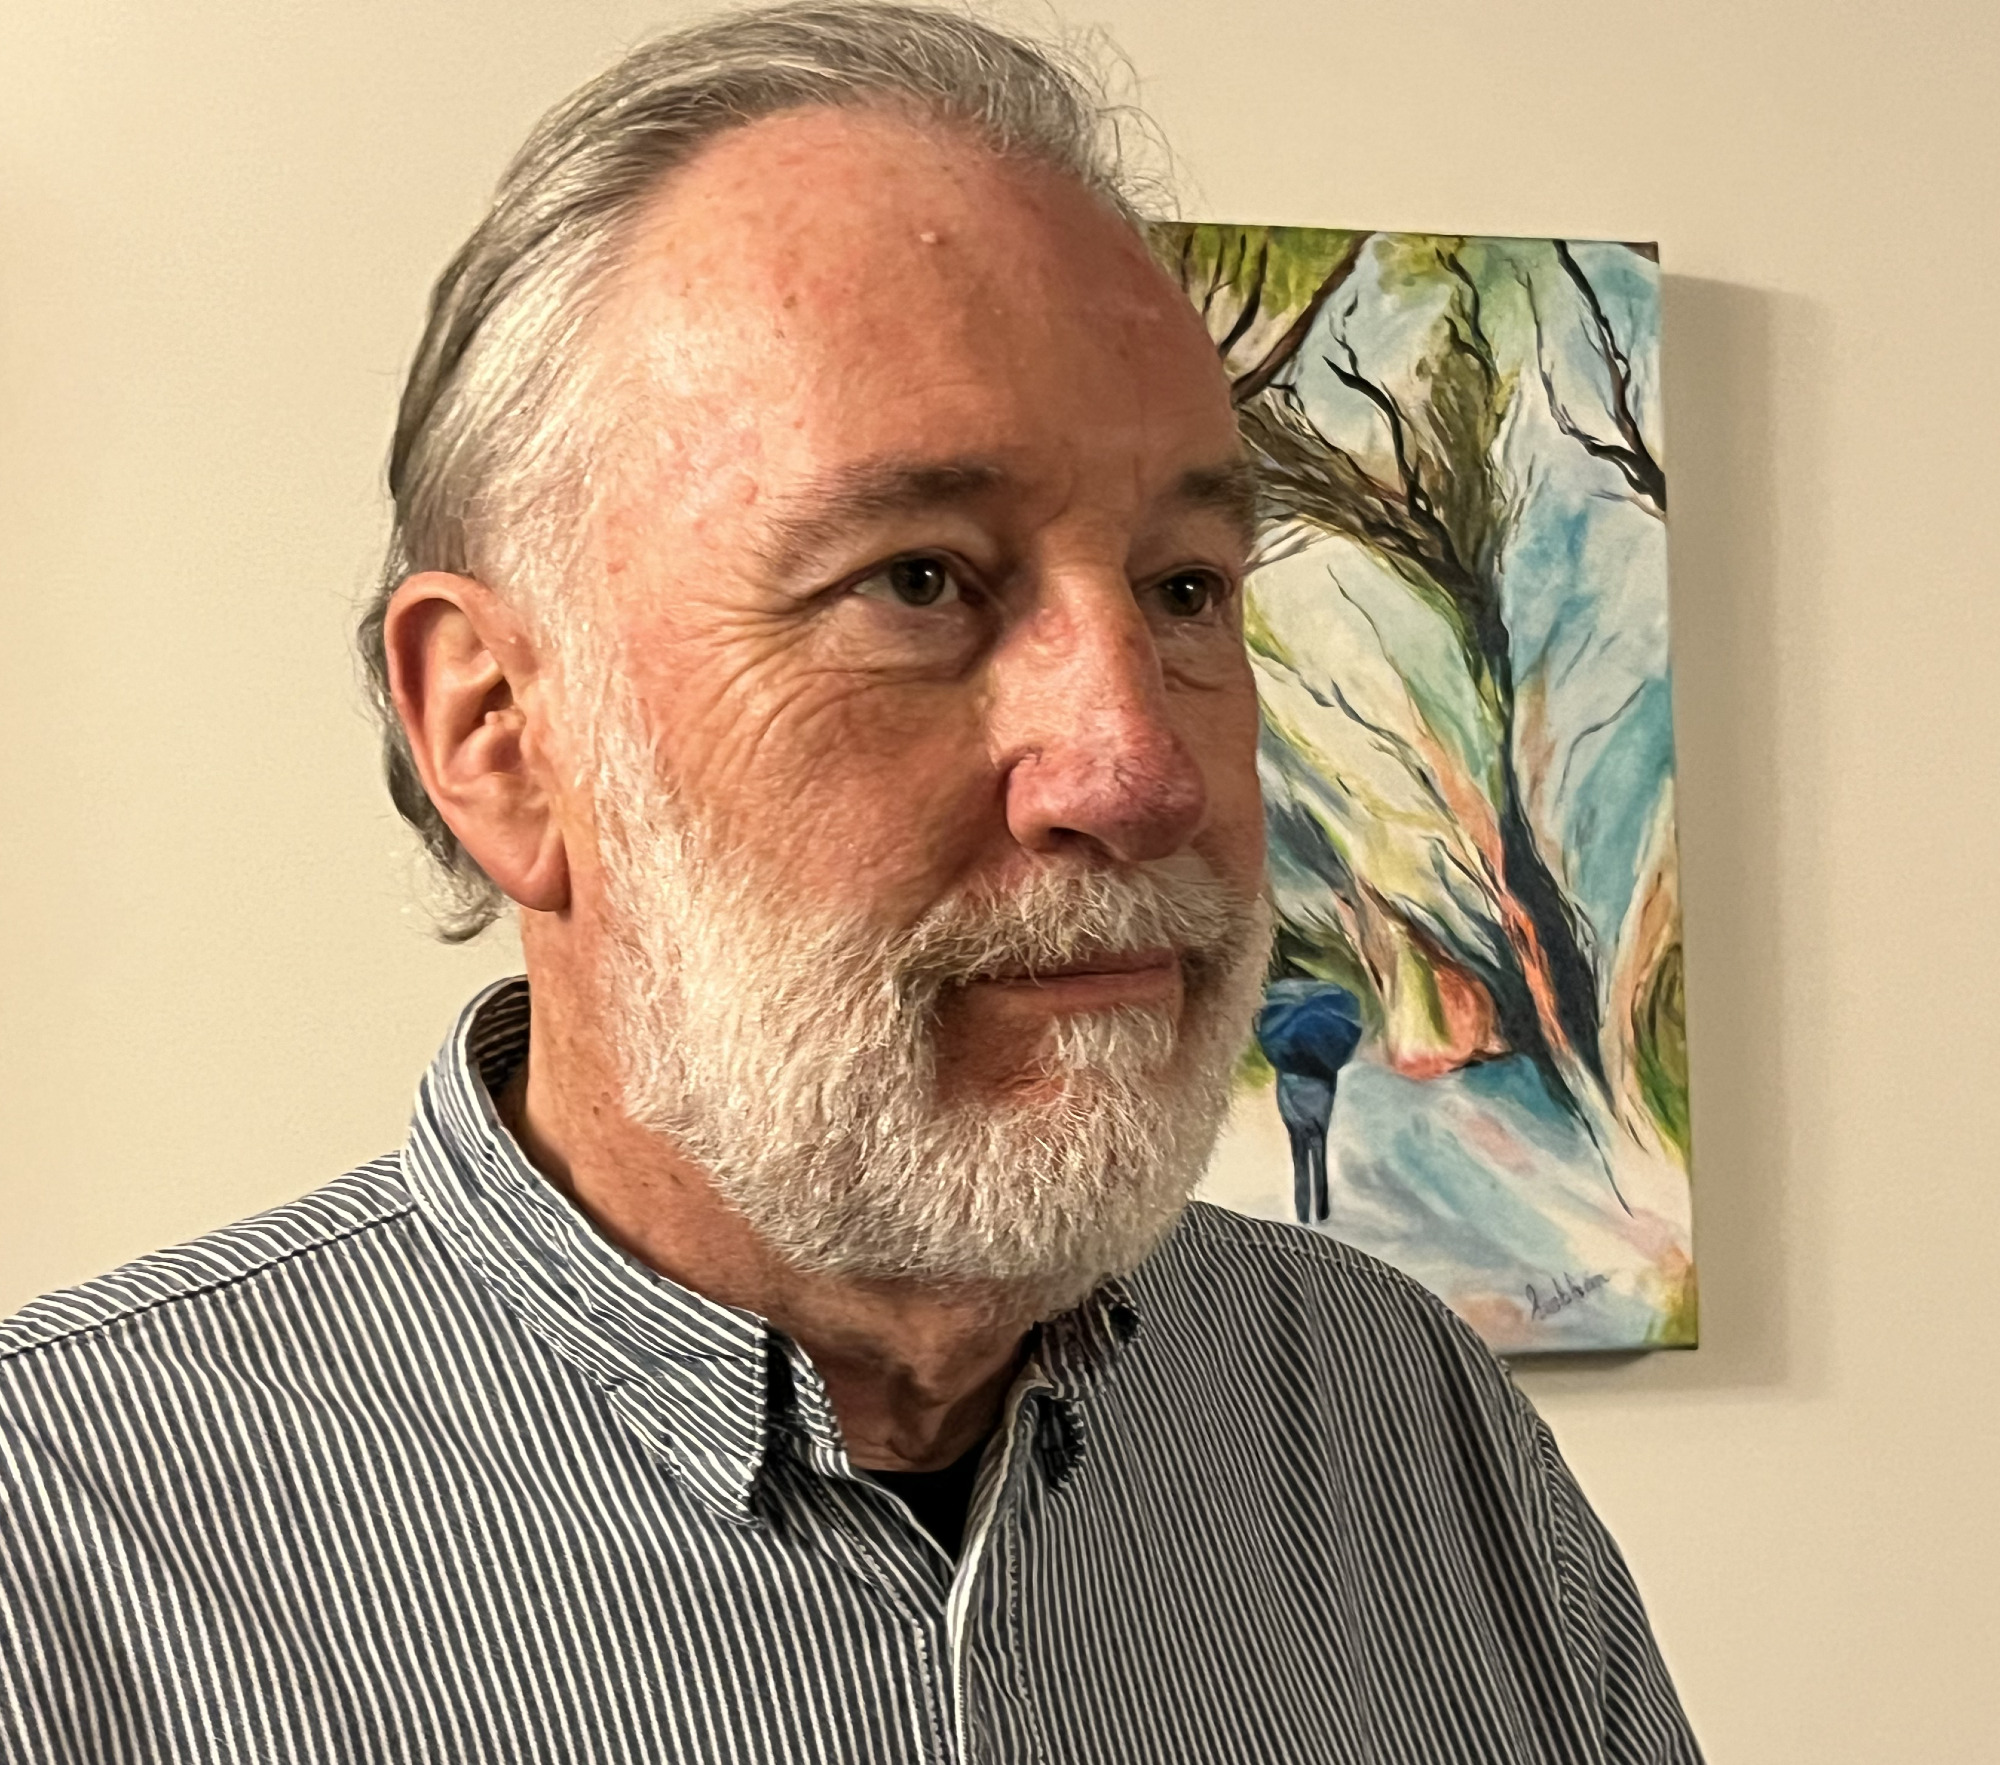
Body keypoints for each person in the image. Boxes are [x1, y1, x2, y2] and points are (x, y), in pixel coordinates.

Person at [0, 5, 1703, 1759]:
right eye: (917, 580)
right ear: (500, 731)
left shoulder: (1404, 1430)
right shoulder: (56, 1559)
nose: (1139, 772)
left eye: (1186, 587)